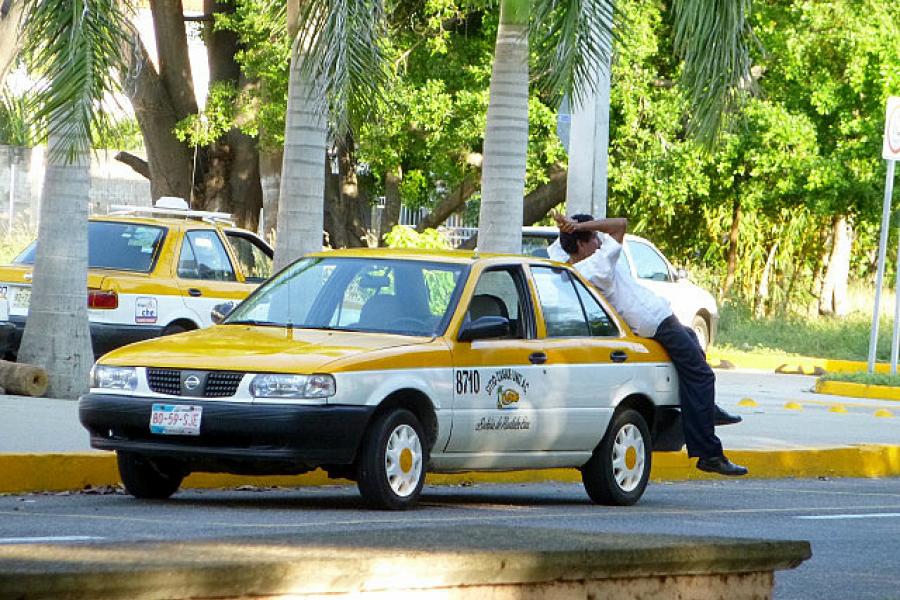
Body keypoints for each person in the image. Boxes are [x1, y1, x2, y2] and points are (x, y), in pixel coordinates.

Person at [550, 212, 747, 477]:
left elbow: (558, 247)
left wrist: (569, 227)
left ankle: (706, 410)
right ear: (583, 244)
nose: (599, 241)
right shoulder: (598, 264)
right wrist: (581, 226)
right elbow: (620, 224)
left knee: (691, 337)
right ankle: (709, 454)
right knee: (702, 376)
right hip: (655, 320)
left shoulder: (569, 264)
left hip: (656, 318)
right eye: (593, 238)